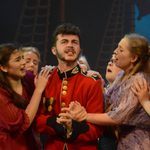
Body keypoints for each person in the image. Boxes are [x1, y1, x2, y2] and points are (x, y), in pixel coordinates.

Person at [60, 33, 150, 150]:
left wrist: (84, 116)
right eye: (117, 47)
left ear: (133, 58)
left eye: (121, 50)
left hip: (138, 144)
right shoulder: (122, 75)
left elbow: (117, 117)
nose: (115, 51)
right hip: (121, 141)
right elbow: (106, 102)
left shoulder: (138, 80)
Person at [36, 23, 104, 150]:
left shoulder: (92, 82)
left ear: (80, 49)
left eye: (74, 42)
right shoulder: (45, 79)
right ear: (54, 50)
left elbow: (97, 129)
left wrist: (72, 128)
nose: (70, 45)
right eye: (64, 41)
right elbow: (37, 119)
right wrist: (56, 124)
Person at [0, 43, 50, 150]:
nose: (24, 63)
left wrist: (85, 72)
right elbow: (23, 124)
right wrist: (38, 90)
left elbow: (49, 78)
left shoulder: (27, 78)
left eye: (23, 58)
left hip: (32, 144)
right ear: (3, 67)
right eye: (18, 60)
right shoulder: (1, 95)